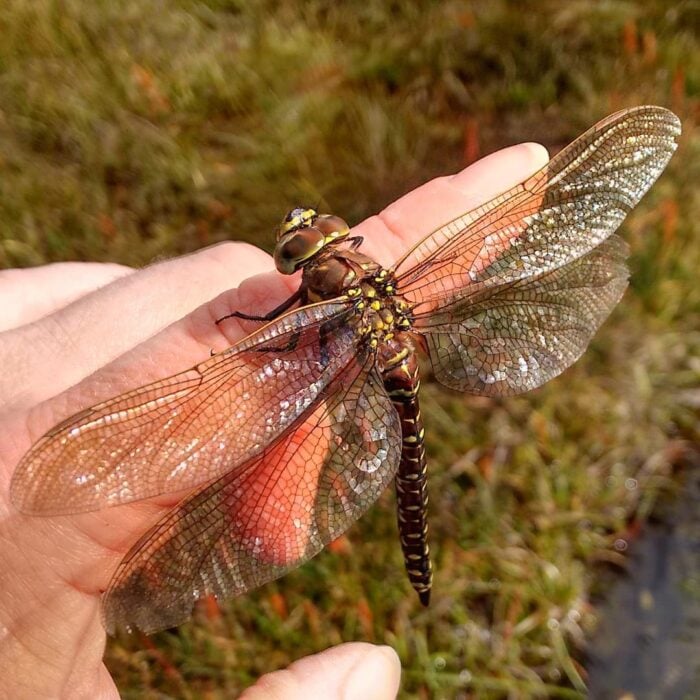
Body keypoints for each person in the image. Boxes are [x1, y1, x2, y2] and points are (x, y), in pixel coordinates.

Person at [0, 142, 548, 699]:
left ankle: (420, 562)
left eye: (311, 237)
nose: (308, 234)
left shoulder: (319, 299)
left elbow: (282, 329)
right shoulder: (372, 278)